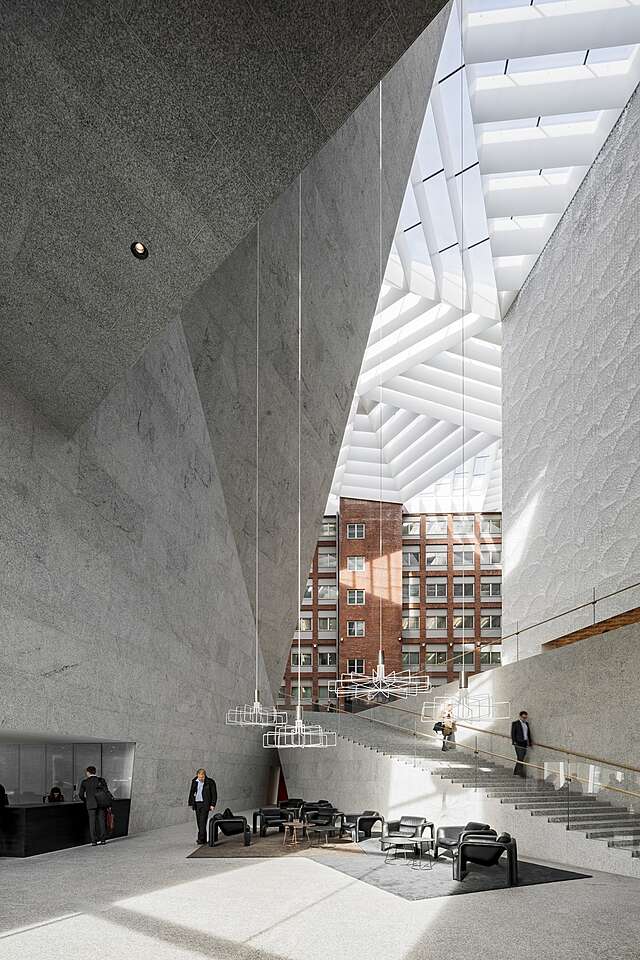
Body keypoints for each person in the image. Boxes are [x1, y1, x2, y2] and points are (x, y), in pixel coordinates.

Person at [78, 766, 113, 845]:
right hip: (101, 803)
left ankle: (94, 841)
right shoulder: (101, 780)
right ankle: (103, 839)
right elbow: (106, 791)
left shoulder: (85, 782)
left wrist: (86, 800)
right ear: (95, 772)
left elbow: (80, 794)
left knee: (92, 822)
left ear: (88, 772)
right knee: (101, 821)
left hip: (90, 804)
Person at [188, 768, 217, 844]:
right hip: (197, 804)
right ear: (197, 775)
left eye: (202, 777)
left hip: (205, 804)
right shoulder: (194, 781)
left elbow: (214, 794)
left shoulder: (210, 782)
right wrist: (191, 803)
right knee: (199, 822)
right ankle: (203, 839)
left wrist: (212, 804)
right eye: (199, 777)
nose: (201, 779)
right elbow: (191, 792)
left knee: (202, 822)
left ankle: (200, 839)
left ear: (204, 775)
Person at [511, 710, 533, 778]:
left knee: (521, 758)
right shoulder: (515, 723)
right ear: (520, 717)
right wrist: (514, 741)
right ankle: (520, 773)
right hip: (518, 743)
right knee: (520, 758)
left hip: (525, 743)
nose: (524, 719)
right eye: (523, 717)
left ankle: (516, 772)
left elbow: (528, 733)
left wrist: (530, 742)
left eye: (525, 717)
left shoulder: (526, 724)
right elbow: (513, 733)